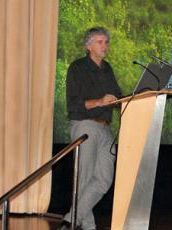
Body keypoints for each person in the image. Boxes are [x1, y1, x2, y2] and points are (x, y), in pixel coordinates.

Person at [61, 26, 122, 230]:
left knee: (104, 179)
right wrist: (99, 102)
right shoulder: (77, 68)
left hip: (106, 129)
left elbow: (117, 97)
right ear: (89, 46)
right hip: (85, 126)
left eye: (107, 42)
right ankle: (87, 227)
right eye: (100, 42)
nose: (105, 46)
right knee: (84, 180)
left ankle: (70, 220)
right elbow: (74, 106)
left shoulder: (108, 69)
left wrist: (143, 96)